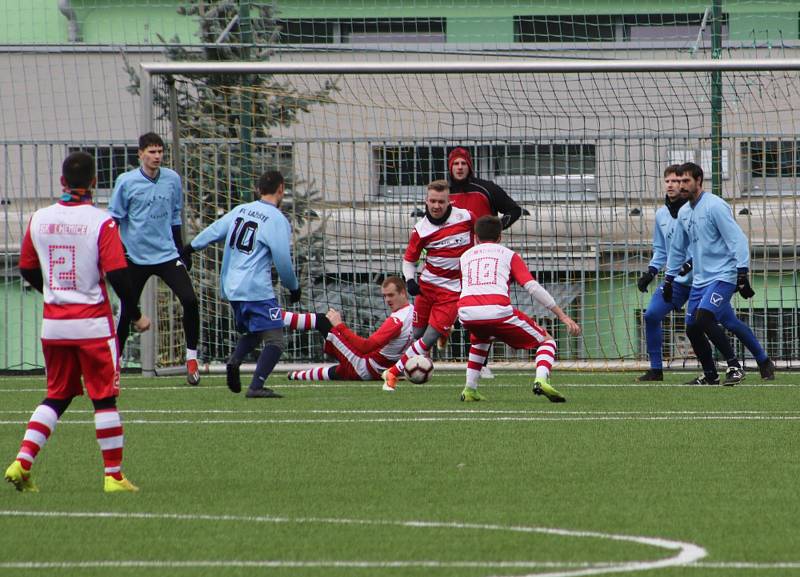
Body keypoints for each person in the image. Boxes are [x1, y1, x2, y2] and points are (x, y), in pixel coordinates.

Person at [5, 151, 150, 494]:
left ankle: (22, 462)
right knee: (104, 400)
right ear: (95, 183)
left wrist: (53, 291)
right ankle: (113, 476)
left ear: (62, 182)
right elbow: (117, 273)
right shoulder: (101, 221)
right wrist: (136, 312)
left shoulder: (39, 218)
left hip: (54, 325)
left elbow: (25, 268)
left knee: (56, 395)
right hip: (92, 326)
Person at [181, 171, 300, 398]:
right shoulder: (276, 219)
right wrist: (293, 286)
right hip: (256, 289)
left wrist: (190, 247)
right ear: (281, 189)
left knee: (256, 331)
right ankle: (256, 386)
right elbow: (283, 259)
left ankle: (234, 361)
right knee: (275, 338)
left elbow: (215, 230)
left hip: (232, 287)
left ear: (257, 189)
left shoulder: (240, 210)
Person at [664, 162, 776, 385]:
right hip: (701, 281)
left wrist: (742, 273)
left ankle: (734, 366)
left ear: (699, 181)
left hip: (723, 276)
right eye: (679, 181)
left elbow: (737, 239)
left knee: (704, 318)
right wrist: (669, 278)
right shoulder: (685, 212)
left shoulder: (716, 206)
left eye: (686, 181)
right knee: (693, 327)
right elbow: (677, 249)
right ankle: (713, 373)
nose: (681, 185)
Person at [109, 132, 201, 385]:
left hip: (166, 255)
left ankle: (191, 359)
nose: (157, 156)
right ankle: (113, 366)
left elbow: (174, 217)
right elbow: (113, 220)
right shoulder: (126, 182)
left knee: (190, 300)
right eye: (151, 151)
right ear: (140, 154)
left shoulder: (172, 179)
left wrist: (181, 249)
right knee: (127, 311)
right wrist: (115, 253)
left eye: (160, 151)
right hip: (135, 257)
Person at [457, 215, 581, 402]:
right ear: (500, 237)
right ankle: (541, 380)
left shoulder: (464, 257)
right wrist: (562, 316)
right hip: (497, 310)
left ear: (475, 238)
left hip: (466, 312)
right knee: (547, 341)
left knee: (480, 339)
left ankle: (469, 389)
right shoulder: (508, 254)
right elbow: (532, 287)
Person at [381, 179, 475, 392]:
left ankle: (393, 373)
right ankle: (437, 339)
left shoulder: (466, 217)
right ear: (426, 200)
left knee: (427, 339)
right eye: (432, 201)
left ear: (448, 200)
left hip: (452, 291)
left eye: (441, 201)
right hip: (427, 287)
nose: (436, 206)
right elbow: (408, 261)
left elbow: (482, 231)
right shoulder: (421, 230)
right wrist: (411, 280)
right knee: (417, 334)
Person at [446, 147, 524, 378]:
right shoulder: (443, 193)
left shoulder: (485, 188)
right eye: (455, 163)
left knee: (480, 307)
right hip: (452, 260)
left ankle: (481, 362)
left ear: (470, 165)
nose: (460, 167)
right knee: (454, 307)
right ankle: (456, 358)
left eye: (463, 163)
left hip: (482, 261)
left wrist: (493, 230)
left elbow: (514, 210)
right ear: (450, 167)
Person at [284, 276, 414, 381]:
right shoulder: (414, 312)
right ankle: (294, 376)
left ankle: (275, 316)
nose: (387, 300)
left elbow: (365, 347)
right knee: (338, 371)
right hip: (378, 370)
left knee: (322, 320)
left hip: (364, 366)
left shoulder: (397, 320)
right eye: (384, 296)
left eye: (391, 295)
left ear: (403, 293)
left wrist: (340, 325)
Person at [635, 165, 692, 381]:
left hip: (702, 280)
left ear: (685, 183)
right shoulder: (661, 214)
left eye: (676, 181)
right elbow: (661, 250)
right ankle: (656, 369)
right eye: (667, 180)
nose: (670, 184)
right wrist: (650, 272)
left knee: (719, 321)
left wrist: (690, 265)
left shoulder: (694, 211)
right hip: (675, 281)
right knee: (651, 315)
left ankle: (760, 360)